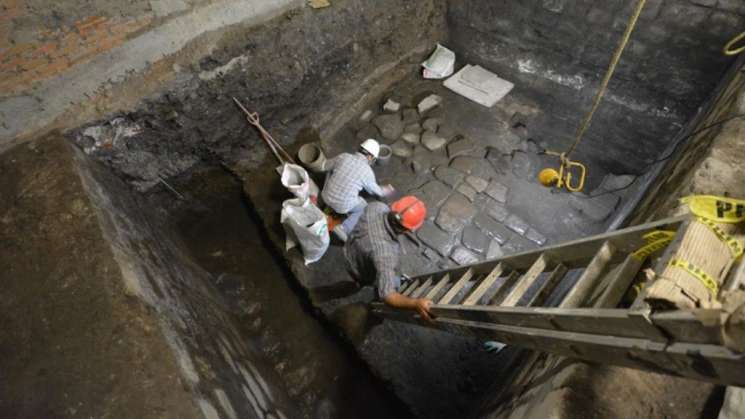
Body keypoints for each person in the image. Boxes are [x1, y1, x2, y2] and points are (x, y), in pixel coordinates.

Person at [344, 195, 434, 321]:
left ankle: (350, 286)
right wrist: (415, 304)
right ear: (408, 230)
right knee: (367, 282)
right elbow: (388, 295)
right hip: (360, 270)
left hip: (349, 250)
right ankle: (355, 285)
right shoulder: (386, 254)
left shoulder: (376, 207)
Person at [320, 139, 394, 242]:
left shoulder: (343, 156)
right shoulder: (367, 172)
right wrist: (387, 189)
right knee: (363, 206)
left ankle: (327, 209)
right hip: (342, 207)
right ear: (370, 157)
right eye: (373, 159)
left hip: (325, 195)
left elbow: (324, 166)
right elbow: (377, 192)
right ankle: (344, 228)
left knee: (330, 171)